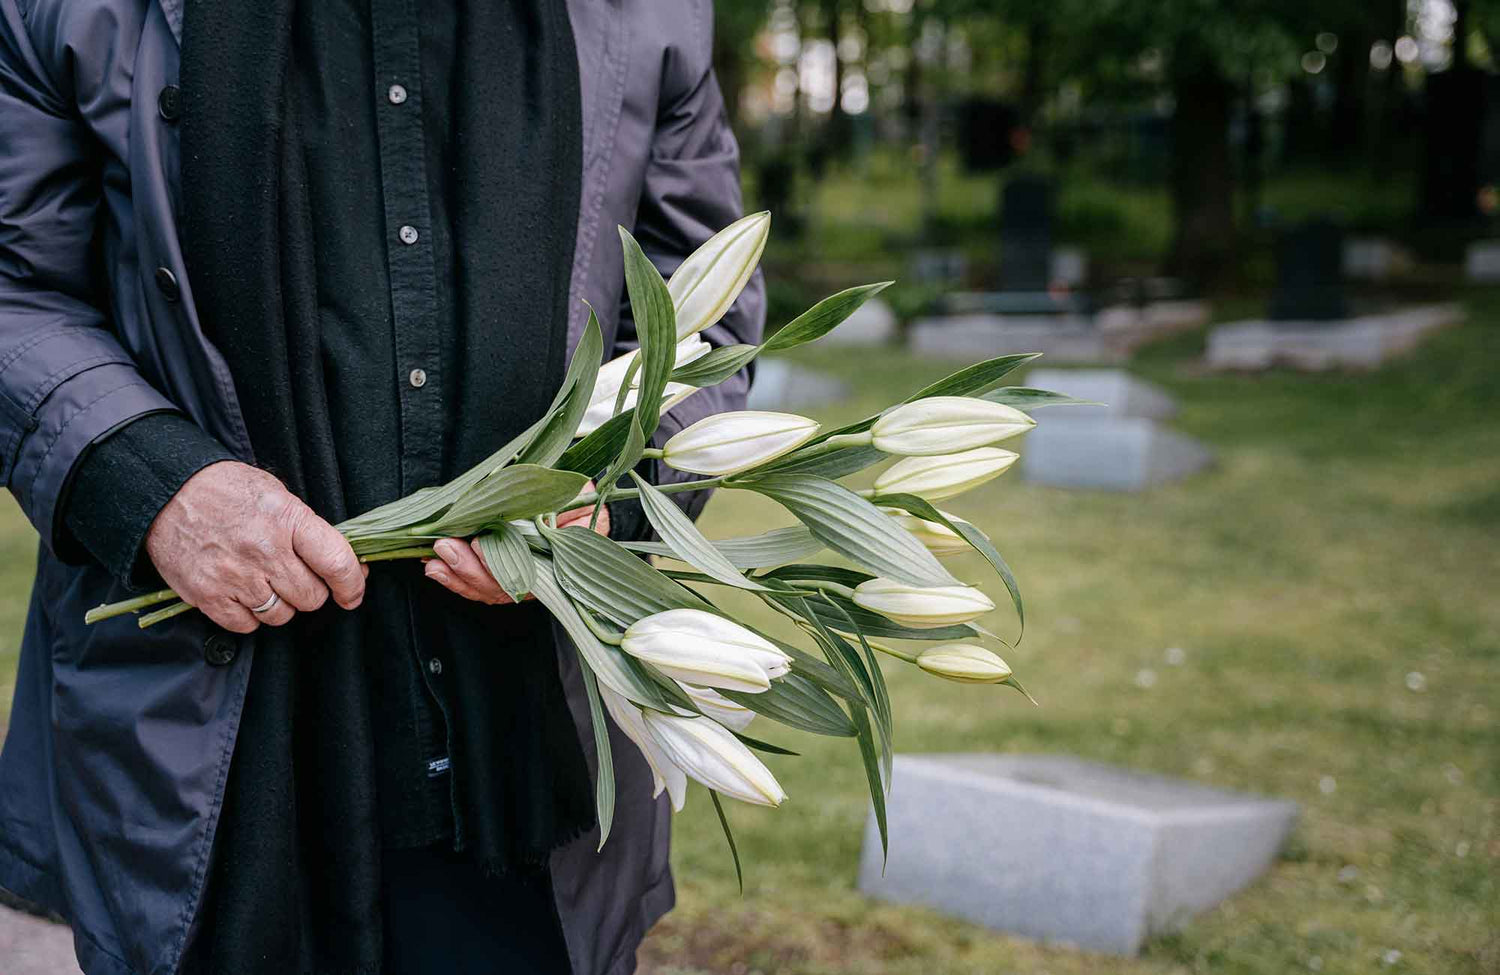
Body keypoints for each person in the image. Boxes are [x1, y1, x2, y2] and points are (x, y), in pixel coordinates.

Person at [0, 1, 763, 972]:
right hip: (216, 756)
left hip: (518, 750)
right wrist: (151, 483)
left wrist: (608, 495)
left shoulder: (647, 11)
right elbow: (16, 284)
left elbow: (703, 303)